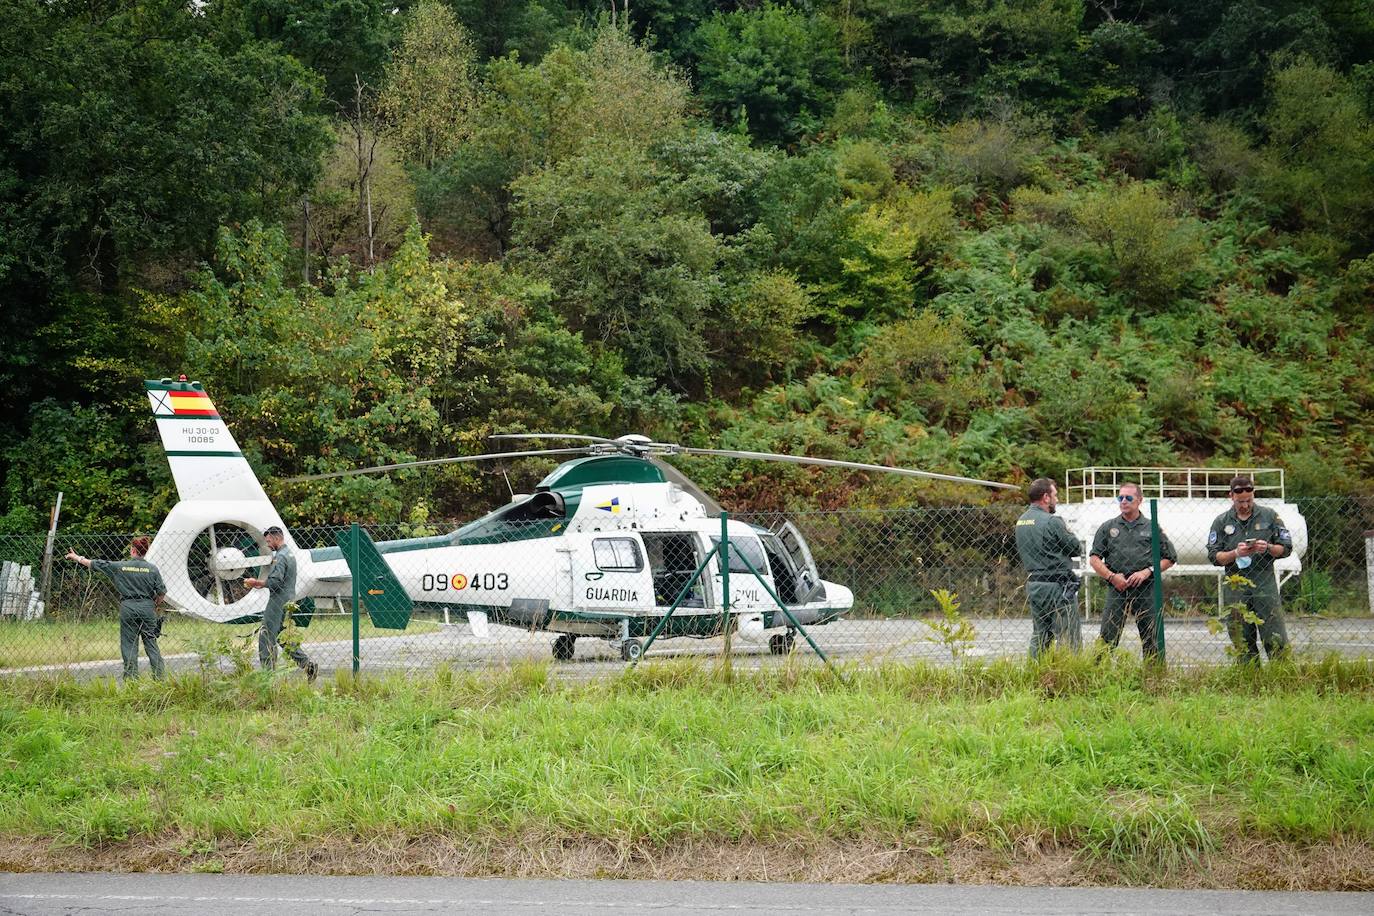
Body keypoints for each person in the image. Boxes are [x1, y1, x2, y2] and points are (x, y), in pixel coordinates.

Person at [1207, 475, 1294, 664]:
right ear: (1231, 496)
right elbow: (1215, 557)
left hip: (1264, 583)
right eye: (1240, 501)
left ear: (1253, 495)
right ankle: (1248, 677)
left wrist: (1268, 548)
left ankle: (1283, 676)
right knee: (1241, 636)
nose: (1245, 505)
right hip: (1236, 585)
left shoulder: (1270, 516)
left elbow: (1286, 548)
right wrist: (1235, 553)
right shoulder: (1221, 522)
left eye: (1248, 500)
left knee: (1274, 633)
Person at [1088, 482, 1178, 661]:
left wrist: (1147, 572)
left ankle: (1154, 678)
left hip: (1145, 590)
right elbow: (1094, 558)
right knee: (1107, 637)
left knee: (1151, 637)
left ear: (1139, 500)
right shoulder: (1108, 527)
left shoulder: (1151, 527)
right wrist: (1112, 577)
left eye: (1128, 498)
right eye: (1120, 497)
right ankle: (1099, 677)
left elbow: (1169, 558)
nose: (1124, 501)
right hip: (1118, 589)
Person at [66, 536, 166, 681]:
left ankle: (131, 680)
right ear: (145, 552)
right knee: (151, 643)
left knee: (129, 645)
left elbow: (95, 564)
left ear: (132, 550)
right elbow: (162, 592)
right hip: (147, 607)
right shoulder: (152, 569)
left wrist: (76, 557)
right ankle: (160, 678)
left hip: (128, 608)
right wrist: (154, 603)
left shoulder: (120, 566)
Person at [1015, 478, 1084, 658]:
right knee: (1069, 635)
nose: (1057, 500)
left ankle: (1035, 672)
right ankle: (1071, 675)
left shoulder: (1021, 521)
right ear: (1046, 497)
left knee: (1040, 634)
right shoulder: (1052, 521)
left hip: (1035, 585)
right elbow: (1076, 548)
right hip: (1058, 586)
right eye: (1055, 495)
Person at [243, 526, 318, 682]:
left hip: (278, 600)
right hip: (288, 599)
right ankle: (307, 664)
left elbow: (276, 581)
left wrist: (256, 582)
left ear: (277, 537)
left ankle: (267, 676)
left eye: (269, 540)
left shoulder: (281, 557)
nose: (268, 544)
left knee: (266, 635)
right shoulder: (290, 554)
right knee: (282, 637)